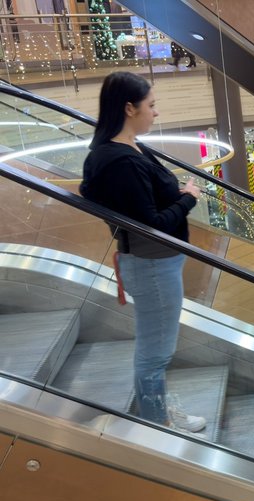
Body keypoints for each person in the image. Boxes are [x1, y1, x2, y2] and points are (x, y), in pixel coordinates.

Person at [80, 72, 206, 434]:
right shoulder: (121, 161)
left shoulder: (128, 147)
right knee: (156, 351)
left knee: (156, 346)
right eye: (151, 105)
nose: (156, 112)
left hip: (154, 263)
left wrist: (174, 193)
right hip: (152, 265)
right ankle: (157, 423)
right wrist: (187, 198)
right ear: (129, 107)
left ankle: (159, 411)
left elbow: (141, 203)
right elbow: (152, 223)